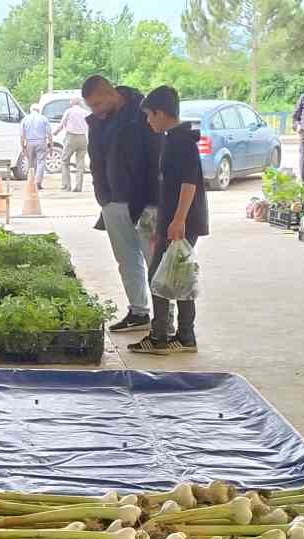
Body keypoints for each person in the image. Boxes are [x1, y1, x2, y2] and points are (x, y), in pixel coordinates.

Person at [130, 86, 207, 356]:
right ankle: (185, 335)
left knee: (159, 276)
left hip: (182, 220)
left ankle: (160, 336)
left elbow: (189, 183)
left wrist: (178, 220)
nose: (148, 122)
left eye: (150, 116)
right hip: (175, 219)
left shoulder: (181, 141)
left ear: (160, 113)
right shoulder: (172, 138)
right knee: (177, 274)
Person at [83, 74, 161, 332]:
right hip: (112, 201)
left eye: (96, 104)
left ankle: (164, 319)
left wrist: (153, 200)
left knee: (154, 260)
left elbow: (155, 159)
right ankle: (139, 311)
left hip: (145, 201)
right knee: (126, 259)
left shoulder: (142, 113)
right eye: (90, 106)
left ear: (109, 94)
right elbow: (95, 160)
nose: (94, 110)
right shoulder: (97, 121)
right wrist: (102, 196)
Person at [55, 98, 91, 191]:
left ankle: (67, 185)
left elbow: (62, 124)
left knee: (64, 161)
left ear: (73, 103)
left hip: (71, 137)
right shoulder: (85, 112)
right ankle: (79, 186)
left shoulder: (69, 111)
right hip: (83, 138)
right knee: (80, 163)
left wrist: (55, 132)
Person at [21, 103, 52, 190]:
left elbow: (22, 135)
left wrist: (22, 147)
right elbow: (49, 133)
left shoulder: (25, 119)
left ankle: (31, 182)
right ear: (38, 110)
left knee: (31, 163)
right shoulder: (44, 119)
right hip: (41, 142)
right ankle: (38, 182)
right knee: (41, 162)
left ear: (31, 110)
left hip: (29, 143)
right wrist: (51, 146)